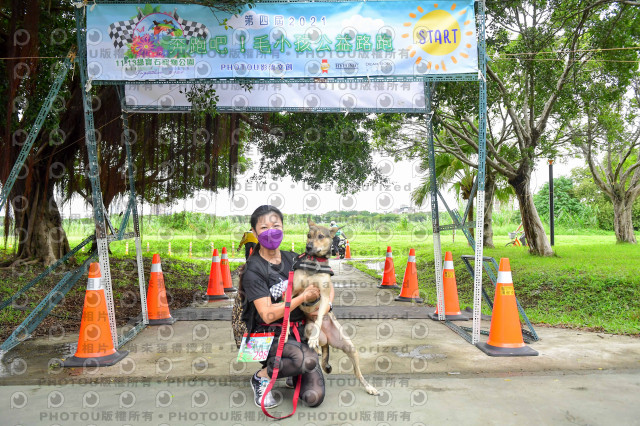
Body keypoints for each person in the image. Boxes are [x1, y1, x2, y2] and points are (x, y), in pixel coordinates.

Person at [238, 205, 329, 409]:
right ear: (254, 232)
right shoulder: (253, 269)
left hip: (298, 332)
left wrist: (326, 303)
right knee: (304, 360)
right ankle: (261, 376)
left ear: (283, 228)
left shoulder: (294, 259)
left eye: (276, 225)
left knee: (314, 398)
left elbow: (325, 284)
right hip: (267, 335)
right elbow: (268, 314)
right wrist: (302, 296)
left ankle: (293, 372)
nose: (271, 231)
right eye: (264, 227)